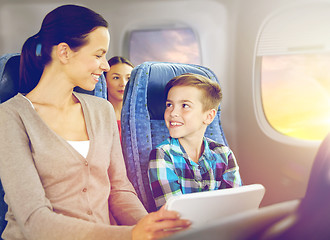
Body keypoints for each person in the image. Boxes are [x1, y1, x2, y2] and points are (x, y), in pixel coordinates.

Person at [0, 4, 190, 240]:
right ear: (64, 52)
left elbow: (119, 190)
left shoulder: (102, 110)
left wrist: (149, 228)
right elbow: (34, 220)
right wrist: (131, 234)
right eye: (99, 54)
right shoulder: (10, 116)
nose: (106, 65)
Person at [148, 73, 242, 209]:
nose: (173, 112)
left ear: (209, 116)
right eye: (169, 105)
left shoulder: (224, 154)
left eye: (185, 105)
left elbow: (235, 206)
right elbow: (173, 214)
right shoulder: (162, 155)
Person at [104, 56, 134, 139]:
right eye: (116, 78)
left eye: (128, 78)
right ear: (105, 81)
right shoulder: (97, 117)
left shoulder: (139, 119)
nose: (123, 83)